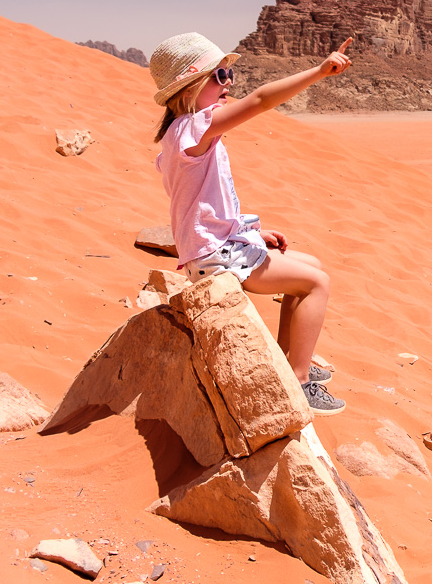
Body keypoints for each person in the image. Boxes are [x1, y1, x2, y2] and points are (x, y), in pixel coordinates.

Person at [149, 32, 351, 415]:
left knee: (311, 268)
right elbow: (260, 100)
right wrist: (319, 71)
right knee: (318, 285)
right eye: (220, 75)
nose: (230, 83)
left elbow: (200, 204)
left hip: (220, 245)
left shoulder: (181, 136)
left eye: (229, 74)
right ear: (190, 88)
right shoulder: (193, 128)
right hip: (217, 256)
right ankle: (299, 380)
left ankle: (286, 357)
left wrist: (251, 232)